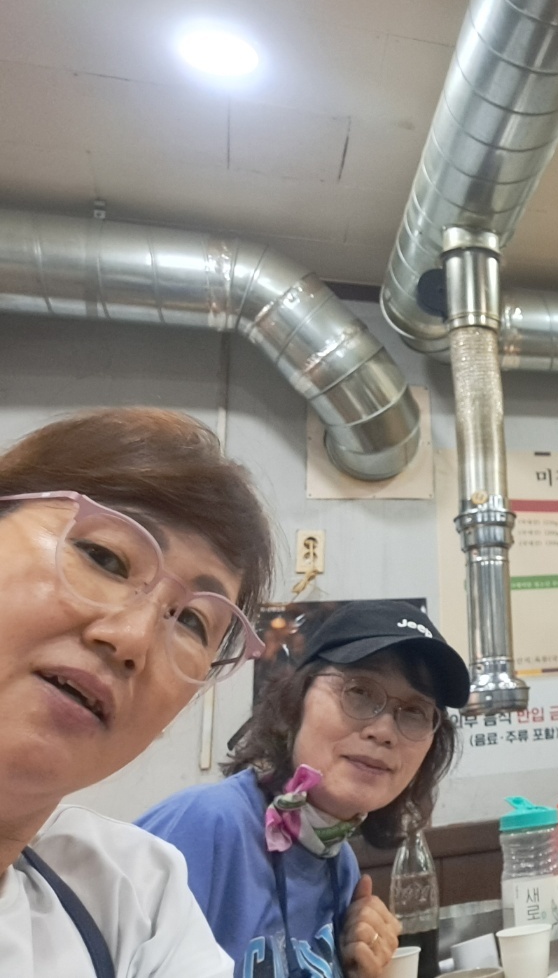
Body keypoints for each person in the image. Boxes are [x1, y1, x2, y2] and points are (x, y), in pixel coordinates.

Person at [0, 407, 276, 976]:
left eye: (193, 622)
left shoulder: (133, 901)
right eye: (104, 557)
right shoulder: (211, 824)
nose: (133, 639)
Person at [139, 599, 467, 978]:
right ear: (296, 700)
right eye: (360, 692)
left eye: (414, 712)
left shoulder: (339, 866)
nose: (384, 731)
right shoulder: (205, 826)